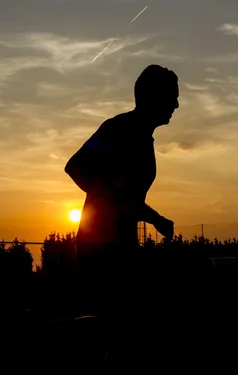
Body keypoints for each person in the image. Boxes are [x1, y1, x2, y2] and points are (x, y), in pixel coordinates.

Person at [64, 64, 179, 318]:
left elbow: (129, 199)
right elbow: (75, 166)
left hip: (121, 246)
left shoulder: (141, 137)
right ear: (155, 96)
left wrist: (154, 219)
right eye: (173, 96)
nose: (177, 105)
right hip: (102, 249)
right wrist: (111, 202)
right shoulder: (116, 129)